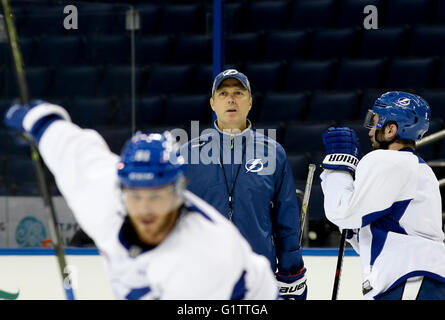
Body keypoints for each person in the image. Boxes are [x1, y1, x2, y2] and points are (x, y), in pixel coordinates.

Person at [3, 100, 279, 300]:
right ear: (121, 192)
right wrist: (38, 119)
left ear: (179, 193)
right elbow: (73, 150)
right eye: (135, 196)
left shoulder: (205, 255)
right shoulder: (103, 197)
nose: (145, 209)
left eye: (157, 196)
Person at [180, 69, 307, 300]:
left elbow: (286, 217)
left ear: (249, 102)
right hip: (203, 276)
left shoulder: (273, 153)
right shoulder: (188, 153)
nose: (231, 99)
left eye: (239, 93)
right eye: (223, 93)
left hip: (257, 276)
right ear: (212, 103)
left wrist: (292, 271)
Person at [320, 91, 445, 300]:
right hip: (422, 279)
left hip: (408, 280)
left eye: (375, 122)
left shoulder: (386, 160)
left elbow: (343, 212)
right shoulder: (420, 169)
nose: (370, 132)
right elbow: (382, 227)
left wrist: (338, 167)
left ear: (391, 129)